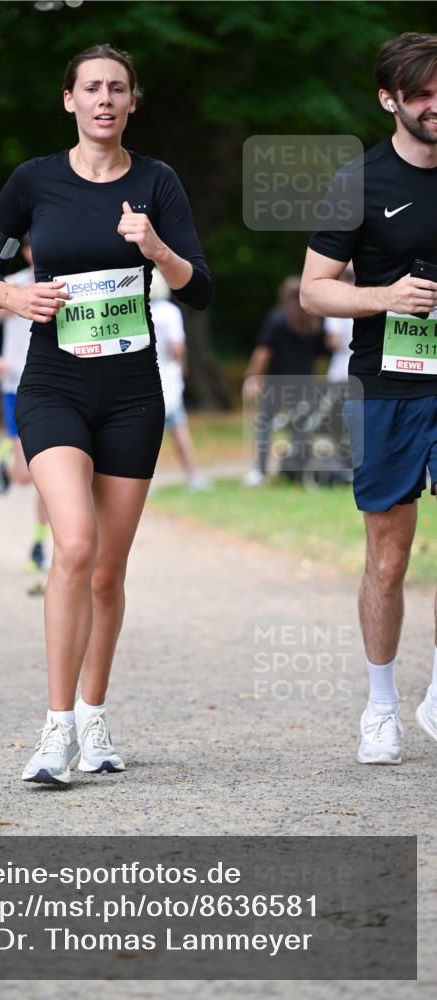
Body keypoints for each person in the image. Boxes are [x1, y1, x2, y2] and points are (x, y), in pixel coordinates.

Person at [0, 43, 212, 786]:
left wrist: (155, 247)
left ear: (131, 102)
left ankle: (96, 712)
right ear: (68, 100)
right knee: (73, 546)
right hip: (53, 385)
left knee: (108, 570)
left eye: (117, 89)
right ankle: (55, 729)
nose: (104, 99)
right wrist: (14, 296)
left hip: (133, 393)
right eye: (91, 88)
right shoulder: (32, 180)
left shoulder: (157, 182)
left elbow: (197, 288)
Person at [300, 32, 437, 763]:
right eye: (421, 93)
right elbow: (314, 287)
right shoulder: (358, 182)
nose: (435, 104)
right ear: (389, 100)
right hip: (387, 383)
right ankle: (380, 704)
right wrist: (386, 295)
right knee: (388, 555)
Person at [0, 241, 51, 572]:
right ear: (27, 252)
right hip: (16, 387)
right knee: (23, 476)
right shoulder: (15, 286)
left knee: (48, 474)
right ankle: (6, 465)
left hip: (54, 389)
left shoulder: (70, 281)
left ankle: (39, 542)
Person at [241, 276, 326, 486]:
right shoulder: (313, 322)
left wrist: (253, 377)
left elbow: (263, 351)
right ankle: (296, 470)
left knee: (264, 425)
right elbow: (321, 354)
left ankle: (260, 471)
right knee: (299, 427)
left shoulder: (277, 319)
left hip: (278, 384)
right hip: (305, 384)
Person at [150, 269, 208, 489]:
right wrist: (183, 368)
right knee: (179, 429)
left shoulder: (140, 311)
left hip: (148, 375)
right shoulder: (170, 312)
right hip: (169, 376)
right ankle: (193, 476)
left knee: (148, 436)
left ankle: (148, 481)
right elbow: (177, 347)